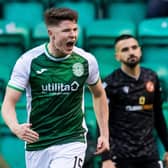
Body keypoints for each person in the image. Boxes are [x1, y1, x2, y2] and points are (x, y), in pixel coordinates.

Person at [1, 7, 109, 168]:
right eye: (66, 30)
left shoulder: (86, 61)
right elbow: (8, 103)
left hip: (72, 140)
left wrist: (104, 134)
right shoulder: (28, 61)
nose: (72, 35)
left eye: (75, 29)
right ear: (51, 33)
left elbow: (99, 94)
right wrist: (15, 127)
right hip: (38, 142)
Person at [102, 34, 168, 168]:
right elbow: (103, 123)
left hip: (149, 154)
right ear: (117, 56)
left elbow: (159, 116)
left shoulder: (151, 77)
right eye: (125, 50)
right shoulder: (111, 83)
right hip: (121, 156)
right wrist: (106, 158)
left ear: (140, 50)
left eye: (134, 47)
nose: (131, 52)